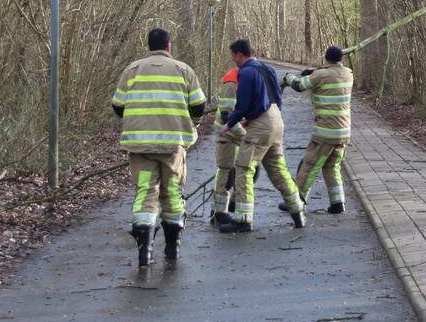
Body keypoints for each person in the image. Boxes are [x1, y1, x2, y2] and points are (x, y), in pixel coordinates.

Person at [111, 28, 206, 267]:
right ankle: (172, 246)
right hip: (173, 146)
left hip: (140, 146)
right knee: (172, 191)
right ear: (169, 46)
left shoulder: (132, 70)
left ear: (149, 46)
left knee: (146, 191)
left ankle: (146, 251)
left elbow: (118, 106)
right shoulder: (184, 70)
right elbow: (198, 107)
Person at [217, 39, 305, 233]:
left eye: (233, 56)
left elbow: (242, 105)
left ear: (239, 54)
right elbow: (277, 98)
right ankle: (298, 212)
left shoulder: (246, 72)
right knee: (278, 170)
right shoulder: (268, 69)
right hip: (276, 120)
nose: (233, 60)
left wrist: (229, 124)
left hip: (261, 125)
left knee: (243, 168)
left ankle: (243, 219)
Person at [281, 45, 354, 214]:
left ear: (326, 58)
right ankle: (338, 203)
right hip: (344, 133)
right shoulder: (348, 73)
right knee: (331, 166)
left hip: (325, 132)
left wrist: (289, 76)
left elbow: (299, 85)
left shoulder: (321, 75)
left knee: (310, 165)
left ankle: (296, 200)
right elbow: (331, 76)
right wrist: (315, 72)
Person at [210, 65, 244, 224]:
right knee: (225, 172)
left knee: (238, 171)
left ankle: (226, 206)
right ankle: (219, 213)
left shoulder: (245, 77)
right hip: (228, 133)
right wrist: (245, 135)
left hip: (236, 132)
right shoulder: (232, 82)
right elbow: (226, 116)